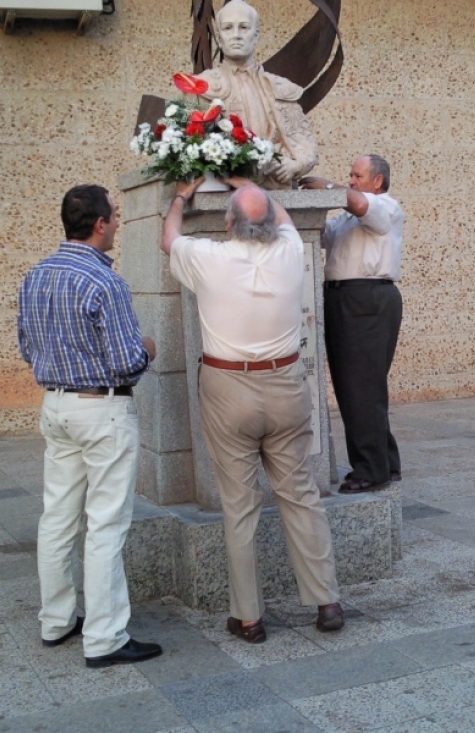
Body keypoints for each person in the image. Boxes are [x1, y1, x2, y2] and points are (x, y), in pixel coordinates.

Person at [162, 176, 344, 643]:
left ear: (228, 224)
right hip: (285, 384)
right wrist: (250, 183)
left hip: (229, 386)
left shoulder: (209, 257)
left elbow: (169, 240)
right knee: (300, 494)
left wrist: (183, 196)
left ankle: (249, 617)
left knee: (239, 506)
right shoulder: (288, 252)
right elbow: (282, 217)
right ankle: (327, 601)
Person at [17, 184, 164, 669]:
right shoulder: (105, 282)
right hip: (101, 409)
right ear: (99, 224)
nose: (118, 224)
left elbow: (27, 347)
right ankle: (104, 637)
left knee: (57, 517)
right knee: (105, 524)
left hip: (56, 405)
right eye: (115, 217)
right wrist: (147, 347)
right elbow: (125, 362)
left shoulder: (35, 276)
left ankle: (56, 620)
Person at [299, 156, 404, 494]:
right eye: (350, 175)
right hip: (344, 298)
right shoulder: (347, 217)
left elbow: (358, 203)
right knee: (359, 386)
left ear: (377, 181)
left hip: (366, 298)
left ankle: (372, 471)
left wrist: (328, 187)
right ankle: (386, 461)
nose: (352, 180)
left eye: (358, 175)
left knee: (361, 387)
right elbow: (323, 234)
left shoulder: (384, 206)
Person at [196, 0, 318, 189]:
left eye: (244, 27)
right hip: (226, 192)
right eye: (228, 28)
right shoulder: (204, 86)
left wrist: (296, 164)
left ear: (256, 35)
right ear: (219, 38)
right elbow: (195, 145)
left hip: (277, 190)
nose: (236, 35)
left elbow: (303, 142)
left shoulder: (279, 87)